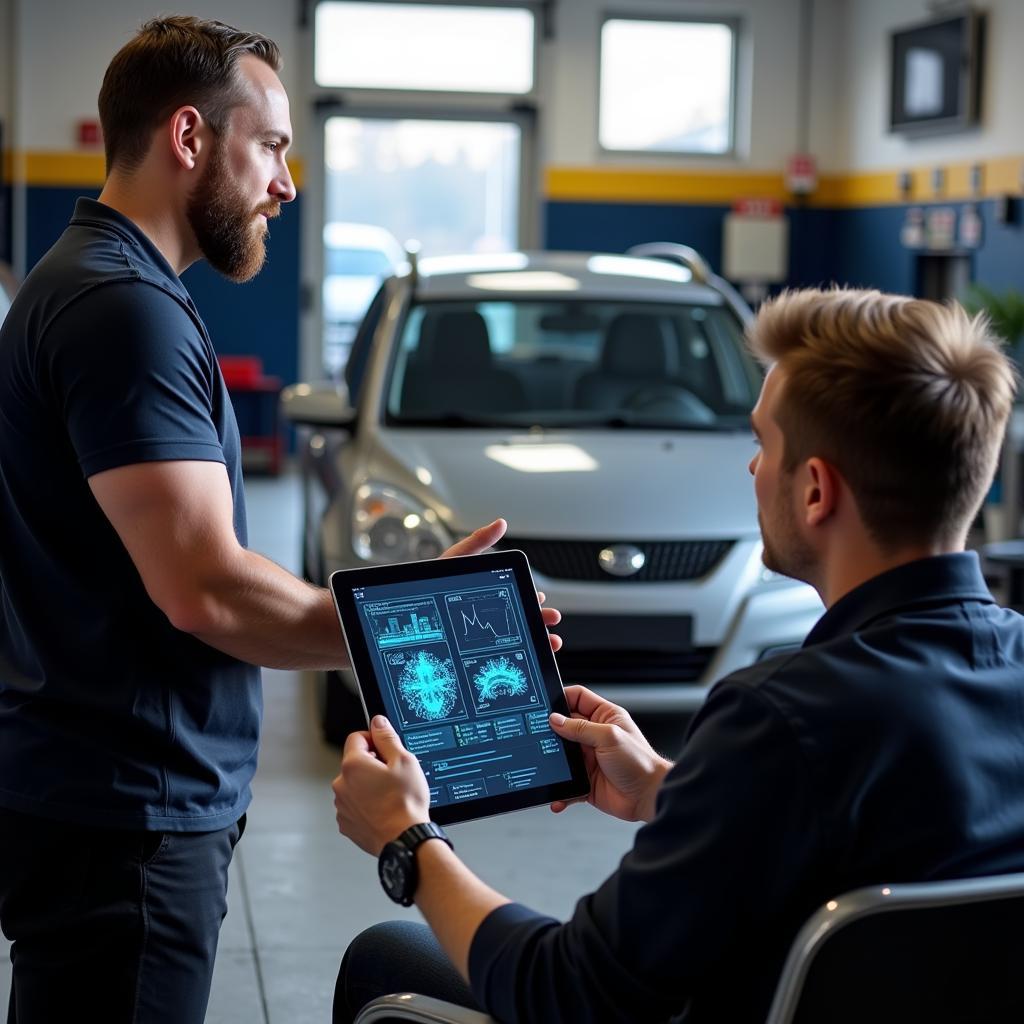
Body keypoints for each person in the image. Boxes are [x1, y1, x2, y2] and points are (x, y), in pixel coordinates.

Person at [0, 17, 556, 1024]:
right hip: (125, 813)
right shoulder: (122, 309)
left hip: (104, 797)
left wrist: (412, 600)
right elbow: (204, 584)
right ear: (189, 137)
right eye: (272, 144)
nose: (286, 182)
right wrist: (419, 622)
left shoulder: (99, 286)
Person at [332, 287, 1024, 1023]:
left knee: (384, 956)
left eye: (762, 444)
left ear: (817, 489)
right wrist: (674, 790)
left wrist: (408, 840)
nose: (751, 469)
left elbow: (568, 993)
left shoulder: (779, 719)